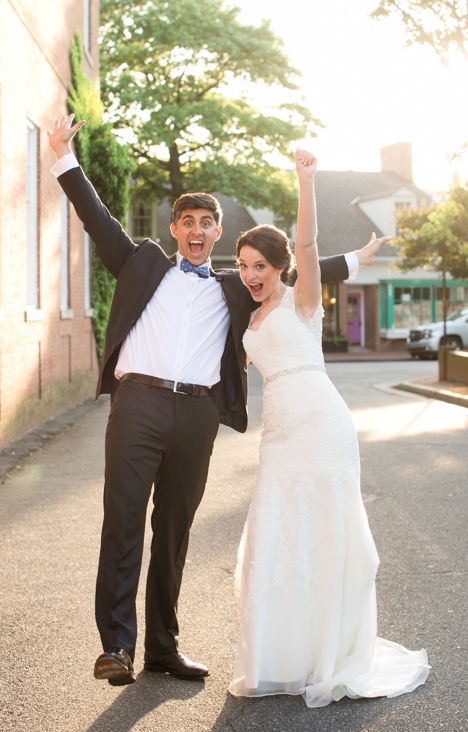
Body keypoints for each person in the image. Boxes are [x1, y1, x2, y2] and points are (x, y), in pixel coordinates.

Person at [46, 114, 387, 685]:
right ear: (175, 229)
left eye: (208, 222)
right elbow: (96, 218)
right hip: (139, 404)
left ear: (218, 232)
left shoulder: (237, 284)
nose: (198, 230)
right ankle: (118, 648)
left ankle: (162, 648)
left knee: (174, 529)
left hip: (198, 414)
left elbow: (297, 268)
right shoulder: (140, 261)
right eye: (188, 222)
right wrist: (63, 155)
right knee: (124, 521)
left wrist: (356, 259)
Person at [229, 149, 430, 707]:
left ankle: (325, 654)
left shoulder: (303, 300)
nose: (249, 275)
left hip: (322, 425)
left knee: (323, 535)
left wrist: (306, 181)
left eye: (260, 267)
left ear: (280, 268)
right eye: (243, 265)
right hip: (280, 437)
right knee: (276, 532)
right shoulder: (248, 315)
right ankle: (280, 657)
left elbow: (312, 248)